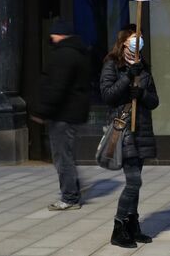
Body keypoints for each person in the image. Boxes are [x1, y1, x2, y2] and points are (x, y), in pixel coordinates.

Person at [100, 28, 159, 248]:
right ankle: (118, 228)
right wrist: (127, 77)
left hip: (141, 130)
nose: (138, 41)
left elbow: (155, 101)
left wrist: (142, 94)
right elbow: (107, 95)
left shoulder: (144, 67)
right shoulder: (112, 65)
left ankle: (132, 225)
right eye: (134, 38)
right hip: (123, 130)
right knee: (134, 181)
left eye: (141, 37)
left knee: (136, 182)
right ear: (124, 42)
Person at [31, 18, 91, 211]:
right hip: (72, 113)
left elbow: (57, 87)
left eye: (53, 33)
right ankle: (73, 190)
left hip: (63, 114)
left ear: (58, 34)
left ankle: (70, 197)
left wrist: (42, 110)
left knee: (62, 156)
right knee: (67, 155)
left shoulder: (63, 56)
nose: (51, 37)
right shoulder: (79, 53)